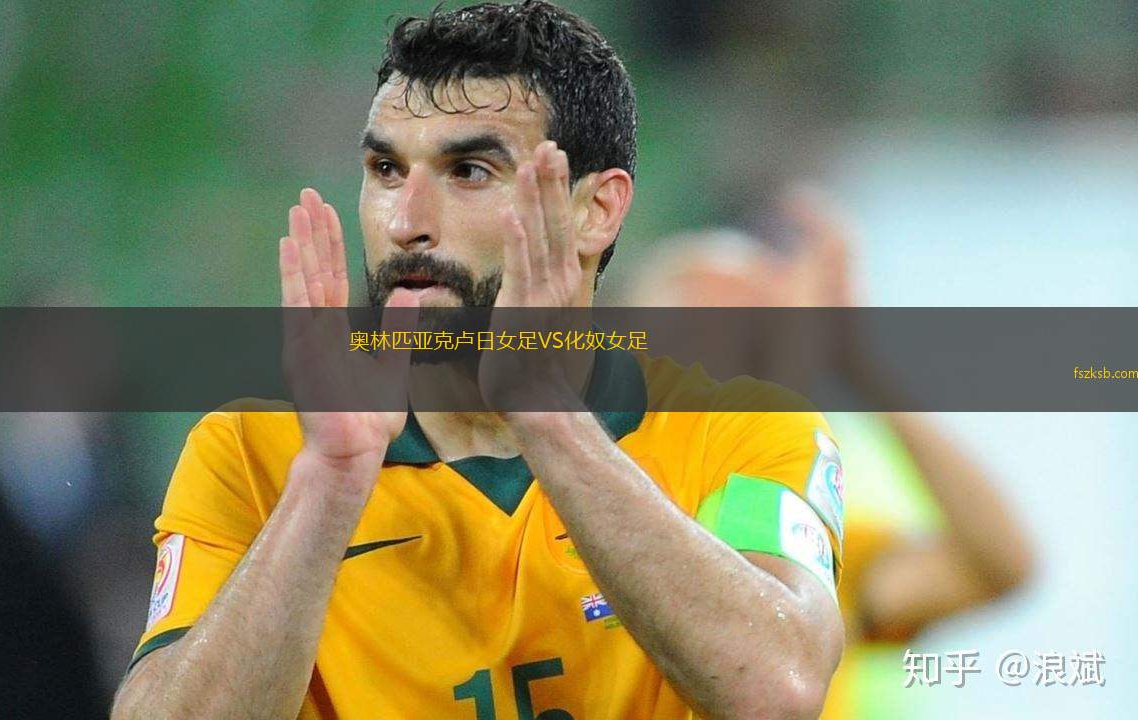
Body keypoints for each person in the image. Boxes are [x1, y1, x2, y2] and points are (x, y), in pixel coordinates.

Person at [111, 3, 846, 719]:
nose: (406, 222)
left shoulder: (739, 431)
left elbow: (776, 691)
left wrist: (548, 419)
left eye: (468, 171)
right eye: (386, 169)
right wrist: (327, 485)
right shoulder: (251, 455)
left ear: (596, 211)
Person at [629, 190, 1034, 719]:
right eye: (697, 322)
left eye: (750, 335)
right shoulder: (563, 520)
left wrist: (855, 360)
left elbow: (995, 566)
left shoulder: (810, 550)